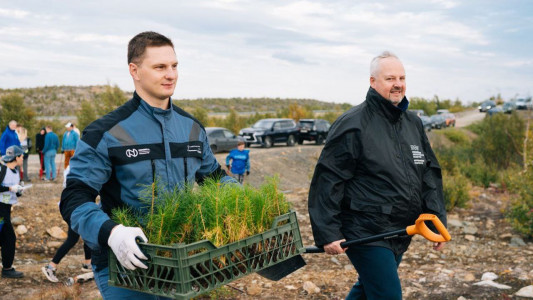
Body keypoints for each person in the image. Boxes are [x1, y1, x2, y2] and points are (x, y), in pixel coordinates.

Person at [60, 31, 235, 299]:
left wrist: (245, 198)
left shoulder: (192, 129)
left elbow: (214, 178)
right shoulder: (106, 132)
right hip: (123, 266)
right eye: (160, 67)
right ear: (135, 70)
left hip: (181, 262)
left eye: (175, 66)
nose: (171, 74)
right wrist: (112, 233)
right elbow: (74, 198)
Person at [308, 51, 447, 300]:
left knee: (367, 289)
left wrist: (437, 219)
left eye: (402, 78)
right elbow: (328, 178)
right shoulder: (353, 123)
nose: (398, 84)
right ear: (373, 82)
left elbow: (429, 174)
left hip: (401, 229)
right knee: (387, 295)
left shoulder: (413, 123)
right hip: (365, 230)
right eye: (390, 78)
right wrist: (328, 232)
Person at [42, 165, 92, 283]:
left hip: (74, 205)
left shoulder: (75, 164)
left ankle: (87, 264)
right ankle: (50, 267)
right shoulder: (77, 167)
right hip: (74, 207)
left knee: (87, 233)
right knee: (73, 238)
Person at [0, 145, 26, 278]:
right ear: (16, 157)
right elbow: (4, 188)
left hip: (6, 209)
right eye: (22, 156)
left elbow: (16, 193)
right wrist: (10, 188)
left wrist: (19, 190)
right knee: (9, 238)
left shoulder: (16, 172)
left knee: (5, 238)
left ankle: (7, 267)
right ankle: (7, 269)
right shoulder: (2, 169)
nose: (23, 158)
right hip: (0, 208)